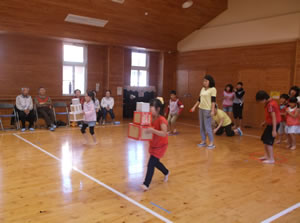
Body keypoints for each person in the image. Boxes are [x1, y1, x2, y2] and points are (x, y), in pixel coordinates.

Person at [141, 99, 169, 191]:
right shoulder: (150, 118)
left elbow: (164, 133)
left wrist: (152, 130)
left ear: (158, 109)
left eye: (152, 108)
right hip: (153, 144)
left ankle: (146, 184)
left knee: (151, 164)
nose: (150, 110)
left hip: (161, 145)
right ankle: (166, 172)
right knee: (155, 162)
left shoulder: (162, 120)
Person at [190, 75, 217, 149]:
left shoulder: (213, 89)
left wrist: (212, 110)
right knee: (202, 126)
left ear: (210, 81)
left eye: (206, 81)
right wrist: (194, 107)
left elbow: (213, 101)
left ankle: (211, 143)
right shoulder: (202, 89)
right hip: (201, 109)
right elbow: (199, 99)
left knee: (207, 126)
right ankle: (203, 141)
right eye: (204, 81)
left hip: (207, 110)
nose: (204, 82)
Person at [256, 91, 281, 164]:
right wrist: (265, 122)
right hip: (270, 124)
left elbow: (274, 117)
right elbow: (270, 116)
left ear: (264, 99)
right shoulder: (270, 102)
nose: (260, 102)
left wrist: (274, 130)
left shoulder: (271, 105)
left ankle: (271, 159)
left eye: (260, 101)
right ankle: (266, 156)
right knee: (265, 140)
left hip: (273, 125)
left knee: (269, 142)